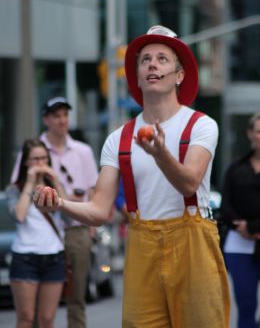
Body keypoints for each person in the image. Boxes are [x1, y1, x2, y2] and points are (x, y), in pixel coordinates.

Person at [33, 25, 231, 328]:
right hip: (142, 246)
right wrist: (58, 202)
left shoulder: (201, 126)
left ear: (179, 76)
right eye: (145, 60)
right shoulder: (118, 139)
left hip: (193, 243)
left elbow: (189, 182)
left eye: (162, 59)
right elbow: (99, 210)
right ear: (138, 77)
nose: (152, 64)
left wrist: (160, 153)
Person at [11, 97, 99, 328]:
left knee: (76, 297)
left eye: (65, 115)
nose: (62, 120)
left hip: (76, 229)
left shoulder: (83, 151)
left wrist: (92, 229)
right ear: (46, 120)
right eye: (56, 116)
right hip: (44, 233)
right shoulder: (34, 148)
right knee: (38, 309)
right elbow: (17, 187)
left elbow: (92, 190)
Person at [6, 138, 65, 328]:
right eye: (35, 158)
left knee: (47, 319)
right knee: (26, 317)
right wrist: (31, 182)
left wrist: (55, 179)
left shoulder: (54, 186)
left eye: (43, 158)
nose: (40, 162)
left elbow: (69, 213)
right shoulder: (15, 189)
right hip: (25, 257)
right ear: (25, 162)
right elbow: (19, 216)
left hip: (54, 256)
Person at [220, 112, 260, 328]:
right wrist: (243, 227)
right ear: (250, 134)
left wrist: (255, 227)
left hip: (252, 231)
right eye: (259, 131)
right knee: (246, 305)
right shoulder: (236, 169)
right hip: (240, 243)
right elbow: (226, 205)